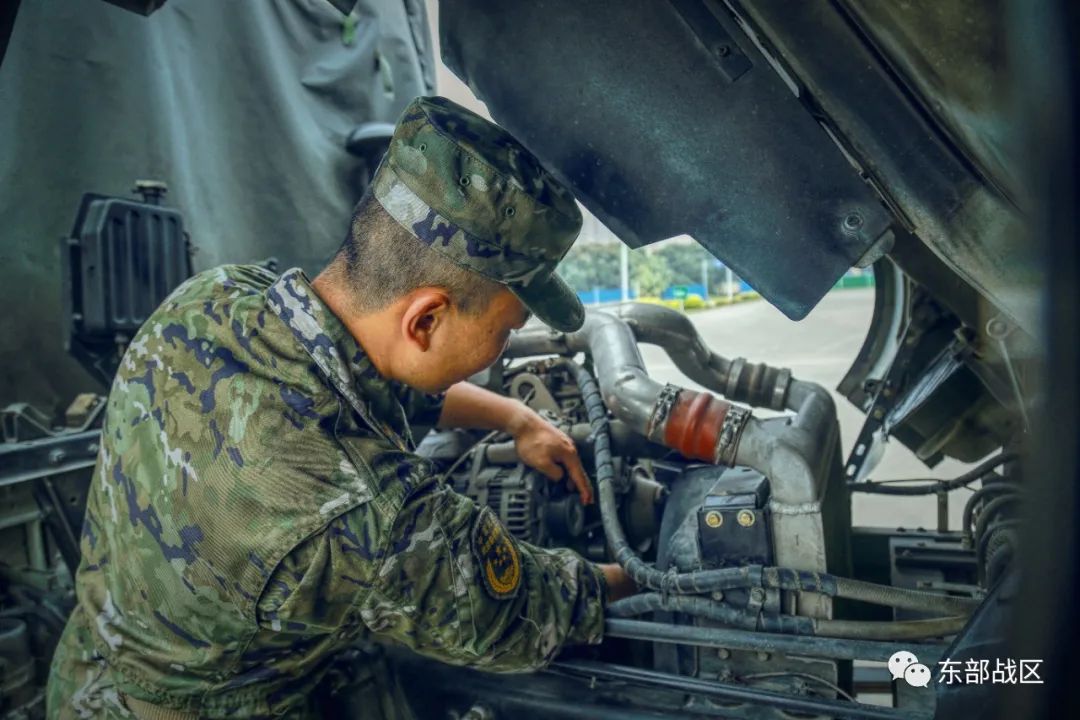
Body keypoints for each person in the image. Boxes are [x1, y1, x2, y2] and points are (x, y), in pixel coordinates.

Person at [45, 95, 637, 719]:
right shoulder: (365, 513)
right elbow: (527, 613)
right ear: (426, 318)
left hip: (86, 674)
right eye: (506, 329)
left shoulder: (213, 298)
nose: (505, 346)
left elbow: (378, 388)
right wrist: (643, 573)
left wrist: (517, 418)